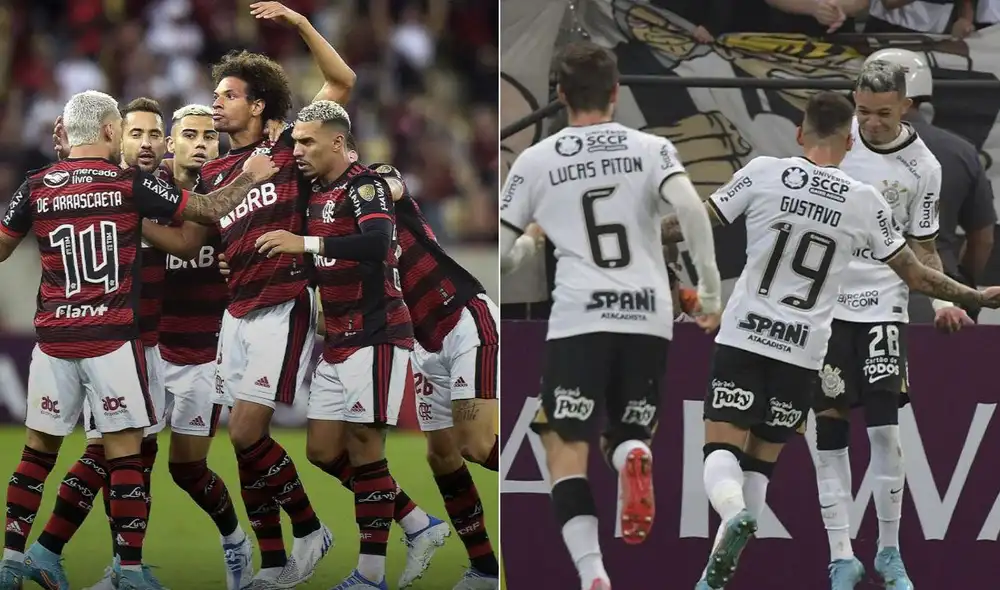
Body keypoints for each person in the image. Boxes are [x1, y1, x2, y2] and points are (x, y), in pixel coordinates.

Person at [658, 91, 1000, 590]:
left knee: (720, 453)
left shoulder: (763, 173)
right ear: (848, 138)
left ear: (800, 133)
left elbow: (690, 223)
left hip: (746, 338)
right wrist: (975, 295)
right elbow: (918, 275)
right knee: (760, 464)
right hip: (802, 356)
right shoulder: (864, 201)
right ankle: (713, 581)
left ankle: (731, 518)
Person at [0, 90, 277, 590]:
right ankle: (127, 571)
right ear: (112, 132)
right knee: (124, 454)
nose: (147, 142)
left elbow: (2, 246)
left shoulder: (37, 185)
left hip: (58, 339)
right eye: (134, 131)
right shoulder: (131, 186)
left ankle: (13, 558)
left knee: (37, 453)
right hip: (114, 340)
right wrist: (252, 176)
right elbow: (207, 213)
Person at [499, 41, 723, 590]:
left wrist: (532, 239)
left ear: (560, 95)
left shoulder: (536, 159)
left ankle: (593, 573)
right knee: (624, 429)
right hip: (647, 316)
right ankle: (634, 453)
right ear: (616, 94)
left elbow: (503, 258)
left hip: (580, 317)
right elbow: (693, 209)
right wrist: (709, 294)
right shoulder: (650, 147)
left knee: (562, 444)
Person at [168, 2, 359, 586]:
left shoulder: (289, 150)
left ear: (257, 104)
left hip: (283, 304)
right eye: (216, 94)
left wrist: (299, 25)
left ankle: (311, 530)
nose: (216, 102)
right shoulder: (216, 175)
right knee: (244, 445)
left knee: (248, 432)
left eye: (227, 95)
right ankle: (273, 563)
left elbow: (342, 83)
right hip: (237, 311)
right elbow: (189, 233)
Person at [249, 100, 436, 590]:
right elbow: (320, 263)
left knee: (366, 451)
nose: (299, 150)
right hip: (335, 338)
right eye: (296, 142)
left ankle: (370, 574)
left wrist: (305, 244)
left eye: (307, 142)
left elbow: (376, 244)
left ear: (337, 141)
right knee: (322, 450)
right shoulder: (314, 195)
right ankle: (417, 522)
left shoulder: (366, 185)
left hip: (377, 332)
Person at [812, 55, 965, 590]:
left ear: (906, 106)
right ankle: (839, 555)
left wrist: (944, 301)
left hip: (882, 308)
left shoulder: (924, 167)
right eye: (862, 111)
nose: (870, 123)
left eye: (882, 112)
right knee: (827, 430)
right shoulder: (837, 141)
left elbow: (925, 248)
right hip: (824, 310)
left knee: (884, 432)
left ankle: (889, 552)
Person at [866, 48, 996, 325]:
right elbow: (983, 238)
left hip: (854, 297)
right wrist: (964, 288)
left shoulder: (843, 148)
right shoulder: (961, 151)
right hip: (938, 304)